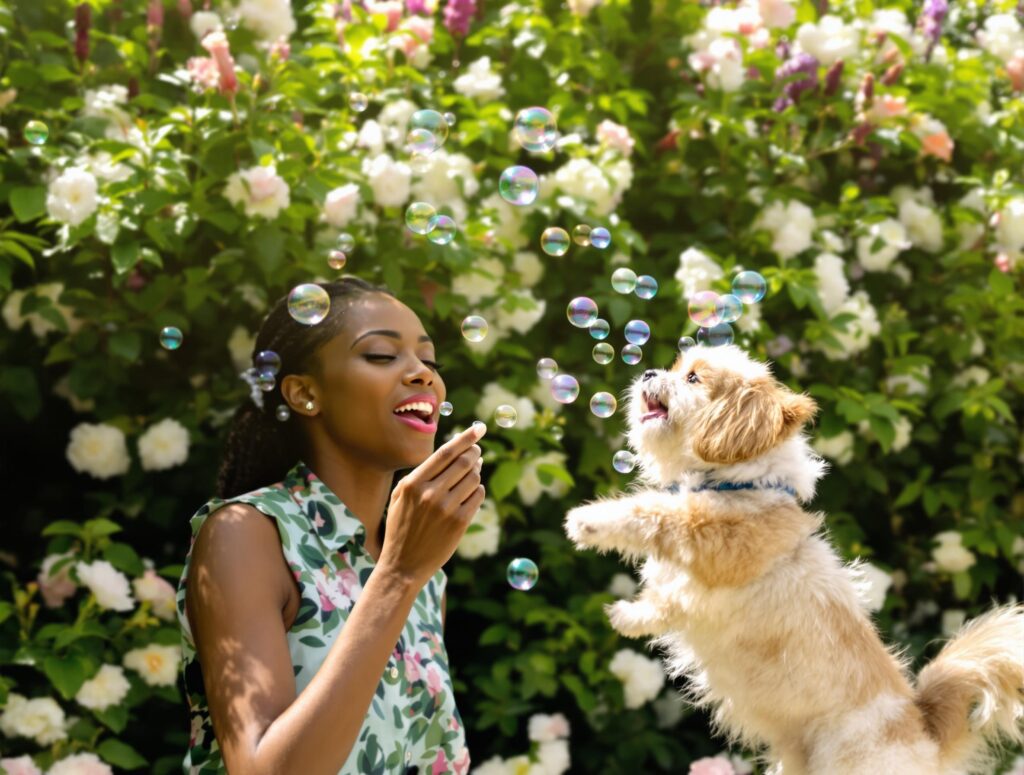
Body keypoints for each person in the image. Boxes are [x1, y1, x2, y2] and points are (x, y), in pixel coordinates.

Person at [175, 277, 484, 775]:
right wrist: (397, 576)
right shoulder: (247, 534)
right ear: (304, 393)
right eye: (382, 355)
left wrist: (405, 573)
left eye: (430, 362)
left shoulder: (424, 576)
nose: (422, 375)